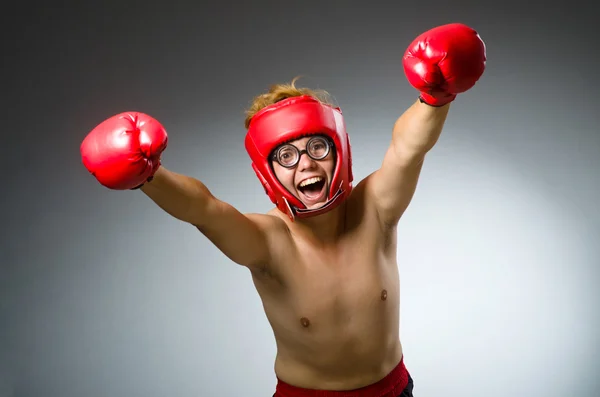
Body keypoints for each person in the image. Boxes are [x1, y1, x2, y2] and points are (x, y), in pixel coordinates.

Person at [80, 23, 486, 397]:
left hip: (393, 391)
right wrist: (149, 176)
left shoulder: (375, 210)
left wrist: (435, 96)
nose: (306, 165)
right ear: (267, 172)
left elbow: (407, 149)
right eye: (286, 156)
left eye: (317, 147)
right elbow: (203, 210)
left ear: (340, 151)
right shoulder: (268, 243)